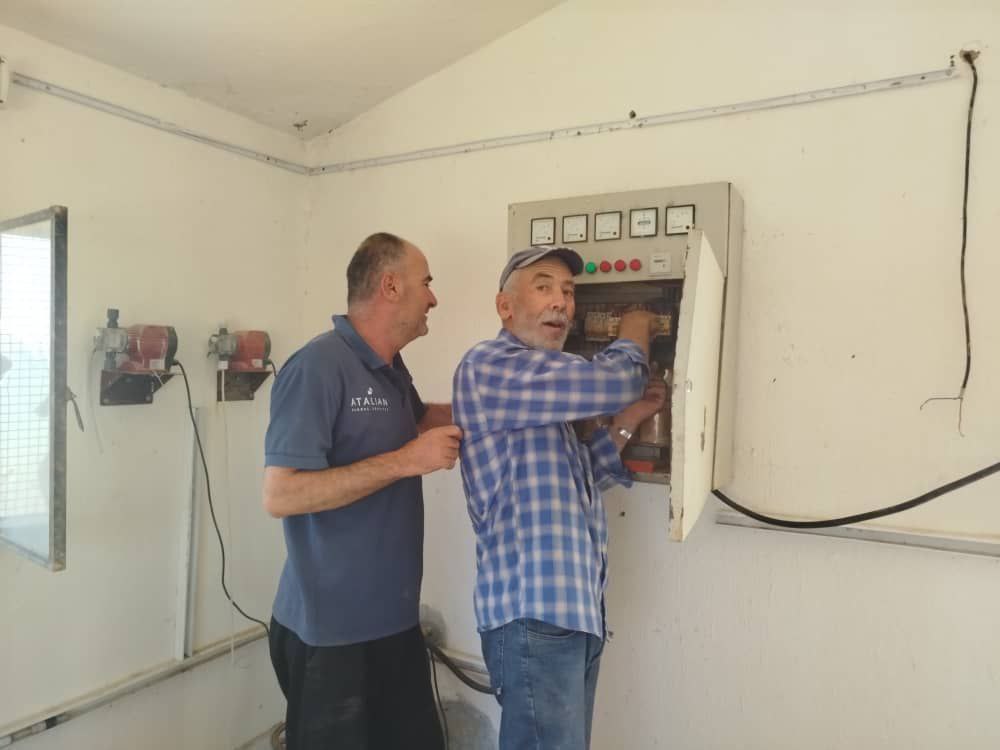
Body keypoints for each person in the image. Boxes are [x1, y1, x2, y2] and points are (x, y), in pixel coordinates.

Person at [452, 246, 666, 749]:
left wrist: (627, 422)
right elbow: (617, 378)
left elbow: (582, 478)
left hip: (570, 616)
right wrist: (635, 329)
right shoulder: (490, 366)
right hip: (534, 618)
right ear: (505, 307)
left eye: (568, 292)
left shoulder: (542, 390)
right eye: (544, 286)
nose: (561, 302)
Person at [262, 232, 460, 750]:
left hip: (393, 621)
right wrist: (406, 461)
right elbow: (281, 495)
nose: (434, 298)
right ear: (391, 286)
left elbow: (421, 422)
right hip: (329, 634)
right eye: (426, 283)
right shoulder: (317, 367)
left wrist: (499, 402)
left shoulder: (389, 365)